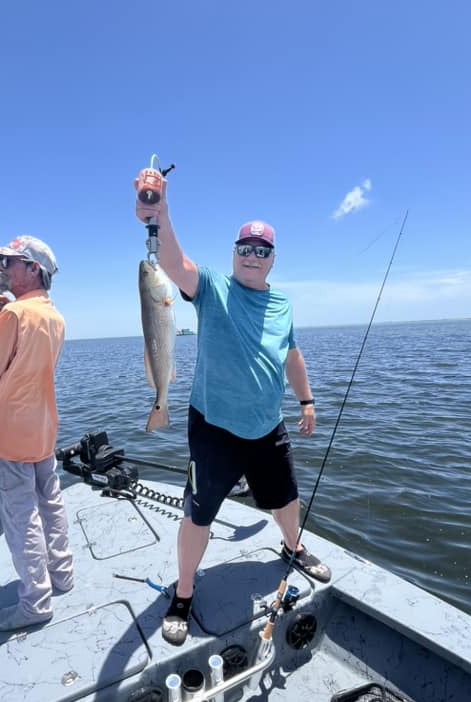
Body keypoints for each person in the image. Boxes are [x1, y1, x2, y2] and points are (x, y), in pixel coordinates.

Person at [135, 181, 331, 646]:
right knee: (198, 513)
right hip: (214, 429)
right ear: (234, 253)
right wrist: (161, 214)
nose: (252, 256)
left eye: (262, 250)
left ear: (272, 259)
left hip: (267, 426)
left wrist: (306, 400)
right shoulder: (211, 287)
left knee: (286, 499)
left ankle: (293, 546)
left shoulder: (282, 303)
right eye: (245, 248)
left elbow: (291, 354)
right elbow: (174, 265)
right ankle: (184, 593)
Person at [0, 235, 74, 632]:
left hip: (12, 432)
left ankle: (35, 602)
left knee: (21, 515)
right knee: (50, 502)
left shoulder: (13, 315)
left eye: (10, 261)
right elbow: (28, 351)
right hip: (42, 427)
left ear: (33, 269)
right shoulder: (54, 316)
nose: (3, 268)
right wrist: (5, 311)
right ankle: (62, 575)